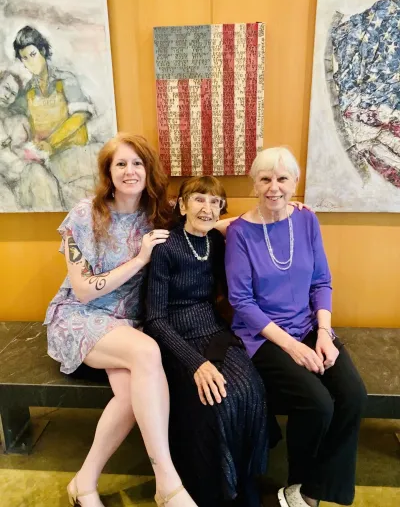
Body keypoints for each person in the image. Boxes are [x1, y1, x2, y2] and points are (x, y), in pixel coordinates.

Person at [44, 133, 197, 507]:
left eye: (138, 163)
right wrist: (140, 259)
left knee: (130, 395)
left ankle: (84, 482)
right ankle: (167, 482)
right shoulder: (85, 215)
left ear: (148, 170)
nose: (130, 171)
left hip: (126, 324)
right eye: (121, 164)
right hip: (80, 317)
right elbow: (83, 290)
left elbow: (206, 216)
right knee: (147, 352)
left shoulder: (159, 213)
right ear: (109, 173)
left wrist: (270, 212)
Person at [225, 147, 367, 507]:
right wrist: (291, 346)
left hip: (308, 326)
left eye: (282, 179)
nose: (274, 187)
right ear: (254, 184)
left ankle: (312, 491)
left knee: (353, 394)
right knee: (317, 404)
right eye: (265, 179)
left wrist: (324, 334)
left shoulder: (306, 220)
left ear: (295, 183)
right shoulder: (240, 232)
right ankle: (300, 481)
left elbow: (321, 282)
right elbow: (242, 301)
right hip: (263, 336)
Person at [145, 176, 269, 507]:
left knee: (251, 389)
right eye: (199, 199)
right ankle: (216, 491)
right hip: (175, 338)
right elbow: (155, 319)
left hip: (214, 330)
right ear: (182, 205)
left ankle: (245, 482)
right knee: (216, 402)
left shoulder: (215, 241)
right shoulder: (165, 247)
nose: (208, 208)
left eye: (215, 202)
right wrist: (196, 363)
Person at [13, 25, 94, 154]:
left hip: (74, 150)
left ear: (43, 51)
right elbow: (24, 119)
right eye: (25, 58)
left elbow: (81, 115)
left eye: (33, 55)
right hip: (46, 155)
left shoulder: (65, 79)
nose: (30, 63)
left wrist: (51, 142)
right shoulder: (28, 89)